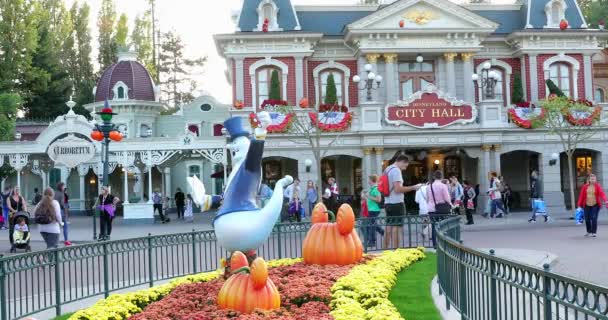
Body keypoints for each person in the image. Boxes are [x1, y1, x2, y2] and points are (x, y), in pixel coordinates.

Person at [383, 152, 421, 249]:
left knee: (388, 227)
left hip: (387, 202)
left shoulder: (387, 169)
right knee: (397, 227)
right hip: (397, 203)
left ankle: (385, 249)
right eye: (405, 166)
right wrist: (414, 187)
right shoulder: (396, 171)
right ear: (402, 162)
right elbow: (398, 189)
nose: (405, 168)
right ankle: (396, 251)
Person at [427, 171, 453, 247]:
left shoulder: (429, 186)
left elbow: (427, 198)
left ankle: (435, 244)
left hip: (431, 209)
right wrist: (451, 204)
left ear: (434, 177)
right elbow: (447, 198)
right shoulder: (443, 186)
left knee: (433, 226)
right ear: (441, 177)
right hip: (442, 209)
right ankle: (442, 243)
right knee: (442, 226)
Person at [364, 174, 384, 248]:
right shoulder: (372, 188)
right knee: (372, 224)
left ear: (372, 180)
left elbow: (379, 199)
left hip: (374, 210)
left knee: (371, 226)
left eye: (369, 179)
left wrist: (368, 196)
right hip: (371, 210)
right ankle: (382, 232)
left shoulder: (376, 189)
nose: (368, 181)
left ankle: (372, 242)